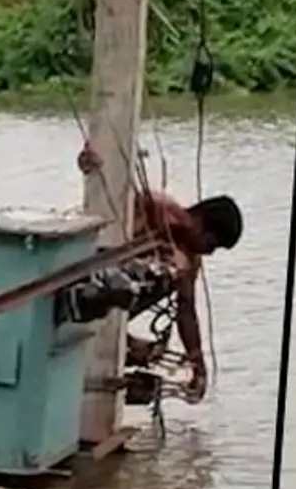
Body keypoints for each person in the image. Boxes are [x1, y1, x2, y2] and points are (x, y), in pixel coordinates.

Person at [77, 144, 243, 402]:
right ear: (199, 223)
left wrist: (197, 361)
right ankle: (119, 345)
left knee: (145, 344)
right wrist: (98, 169)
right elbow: (114, 196)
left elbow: (185, 310)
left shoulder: (188, 261)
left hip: (111, 313)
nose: (209, 253)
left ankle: (124, 348)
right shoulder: (157, 208)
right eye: (211, 244)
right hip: (87, 278)